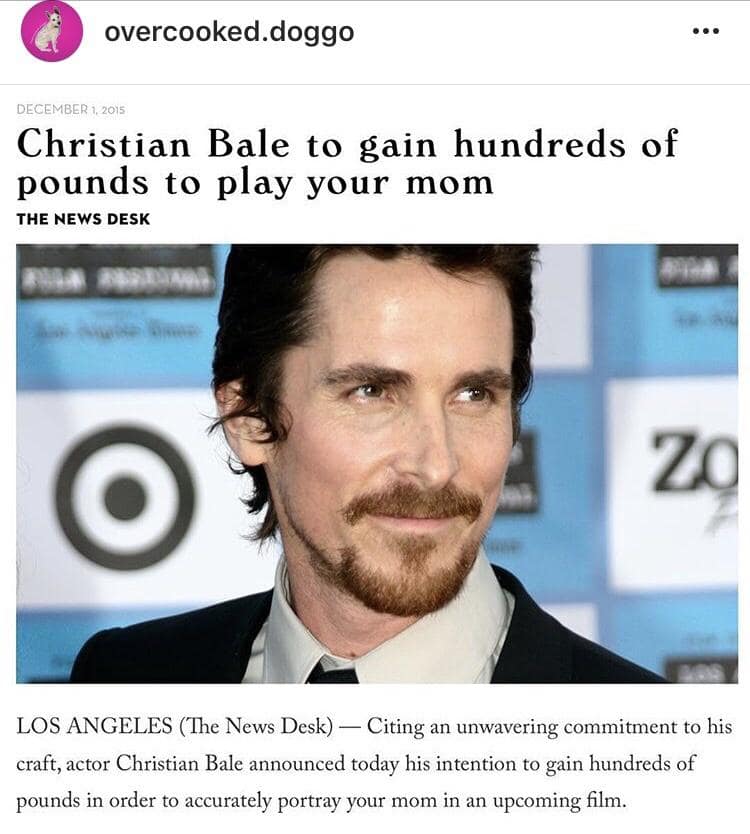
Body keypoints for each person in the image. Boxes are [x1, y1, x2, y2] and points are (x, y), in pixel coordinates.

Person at [71, 244, 664, 684]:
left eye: (473, 394)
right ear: (250, 420)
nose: (436, 465)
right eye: (372, 392)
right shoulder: (127, 678)